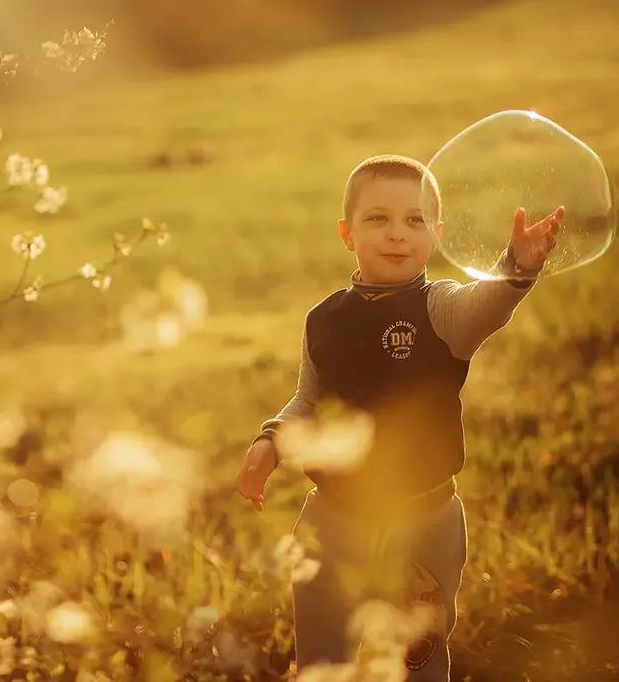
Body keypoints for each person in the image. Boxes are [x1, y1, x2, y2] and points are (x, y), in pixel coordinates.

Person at [234, 154, 565, 679]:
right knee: (322, 657)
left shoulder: (441, 310)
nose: (396, 235)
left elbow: (487, 304)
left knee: (420, 660)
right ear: (346, 233)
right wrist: (270, 442)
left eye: (414, 221)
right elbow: (309, 399)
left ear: (435, 233)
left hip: (422, 522)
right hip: (331, 519)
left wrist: (516, 268)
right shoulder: (324, 319)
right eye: (377, 219)